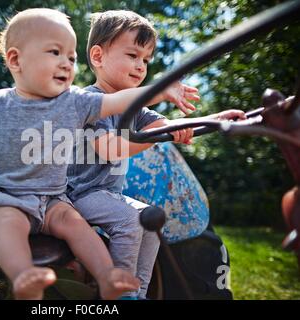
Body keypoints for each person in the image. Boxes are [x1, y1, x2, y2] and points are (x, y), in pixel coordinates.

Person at [0, 8, 197, 300]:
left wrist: (173, 110)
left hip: (52, 198)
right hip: (8, 195)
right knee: (10, 228)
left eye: (71, 58)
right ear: (16, 60)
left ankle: (112, 280)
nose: (66, 63)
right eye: (55, 53)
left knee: (78, 227)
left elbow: (124, 101)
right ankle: (24, 274)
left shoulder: (71, 102)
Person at [67, 10, 246, 299]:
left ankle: (138, 291)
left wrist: (218, 120)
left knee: (152, 221)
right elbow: (112, 149)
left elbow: (171, 126)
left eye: (146, 60)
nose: (141, 66)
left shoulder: (134, 110)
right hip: (78, 194)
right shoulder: (90, 103)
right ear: (98, 57)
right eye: (133, 55)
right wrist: (154, 137)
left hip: (105, 193)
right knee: (131, 221)